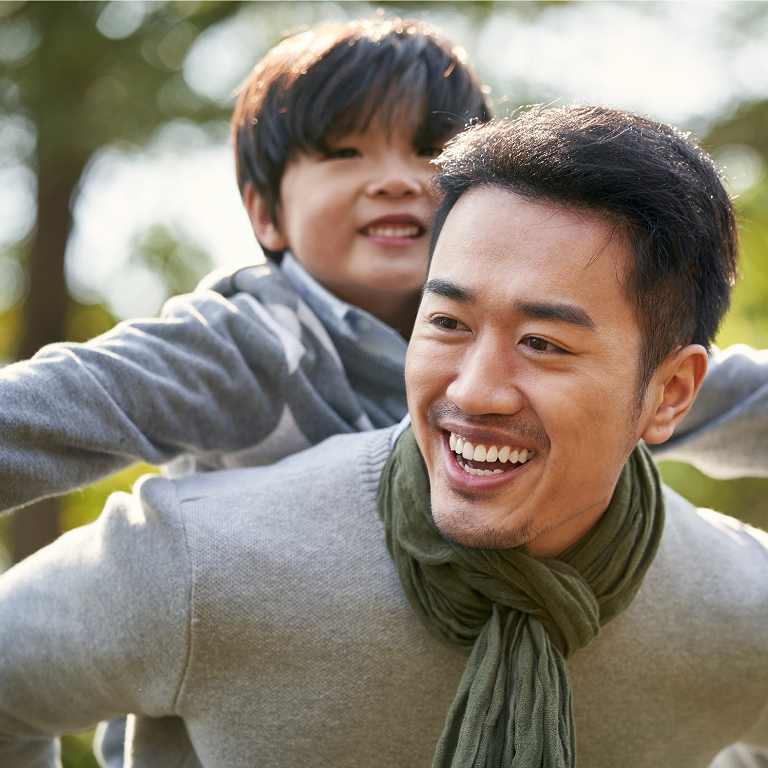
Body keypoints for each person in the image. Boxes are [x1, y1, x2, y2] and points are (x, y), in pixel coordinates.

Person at [2, 105, 767, 768]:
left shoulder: (743, 612)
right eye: (446, 323)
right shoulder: (199, 562)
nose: (472, 390)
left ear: (668, 394)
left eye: (543, 342)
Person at [1, 15, 768, 529]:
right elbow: (44, 417)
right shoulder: (245, 345)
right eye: (345, 152)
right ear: (264, 214)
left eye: (431, 152)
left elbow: (736, 402)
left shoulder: (546, 358)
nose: (398, 179)